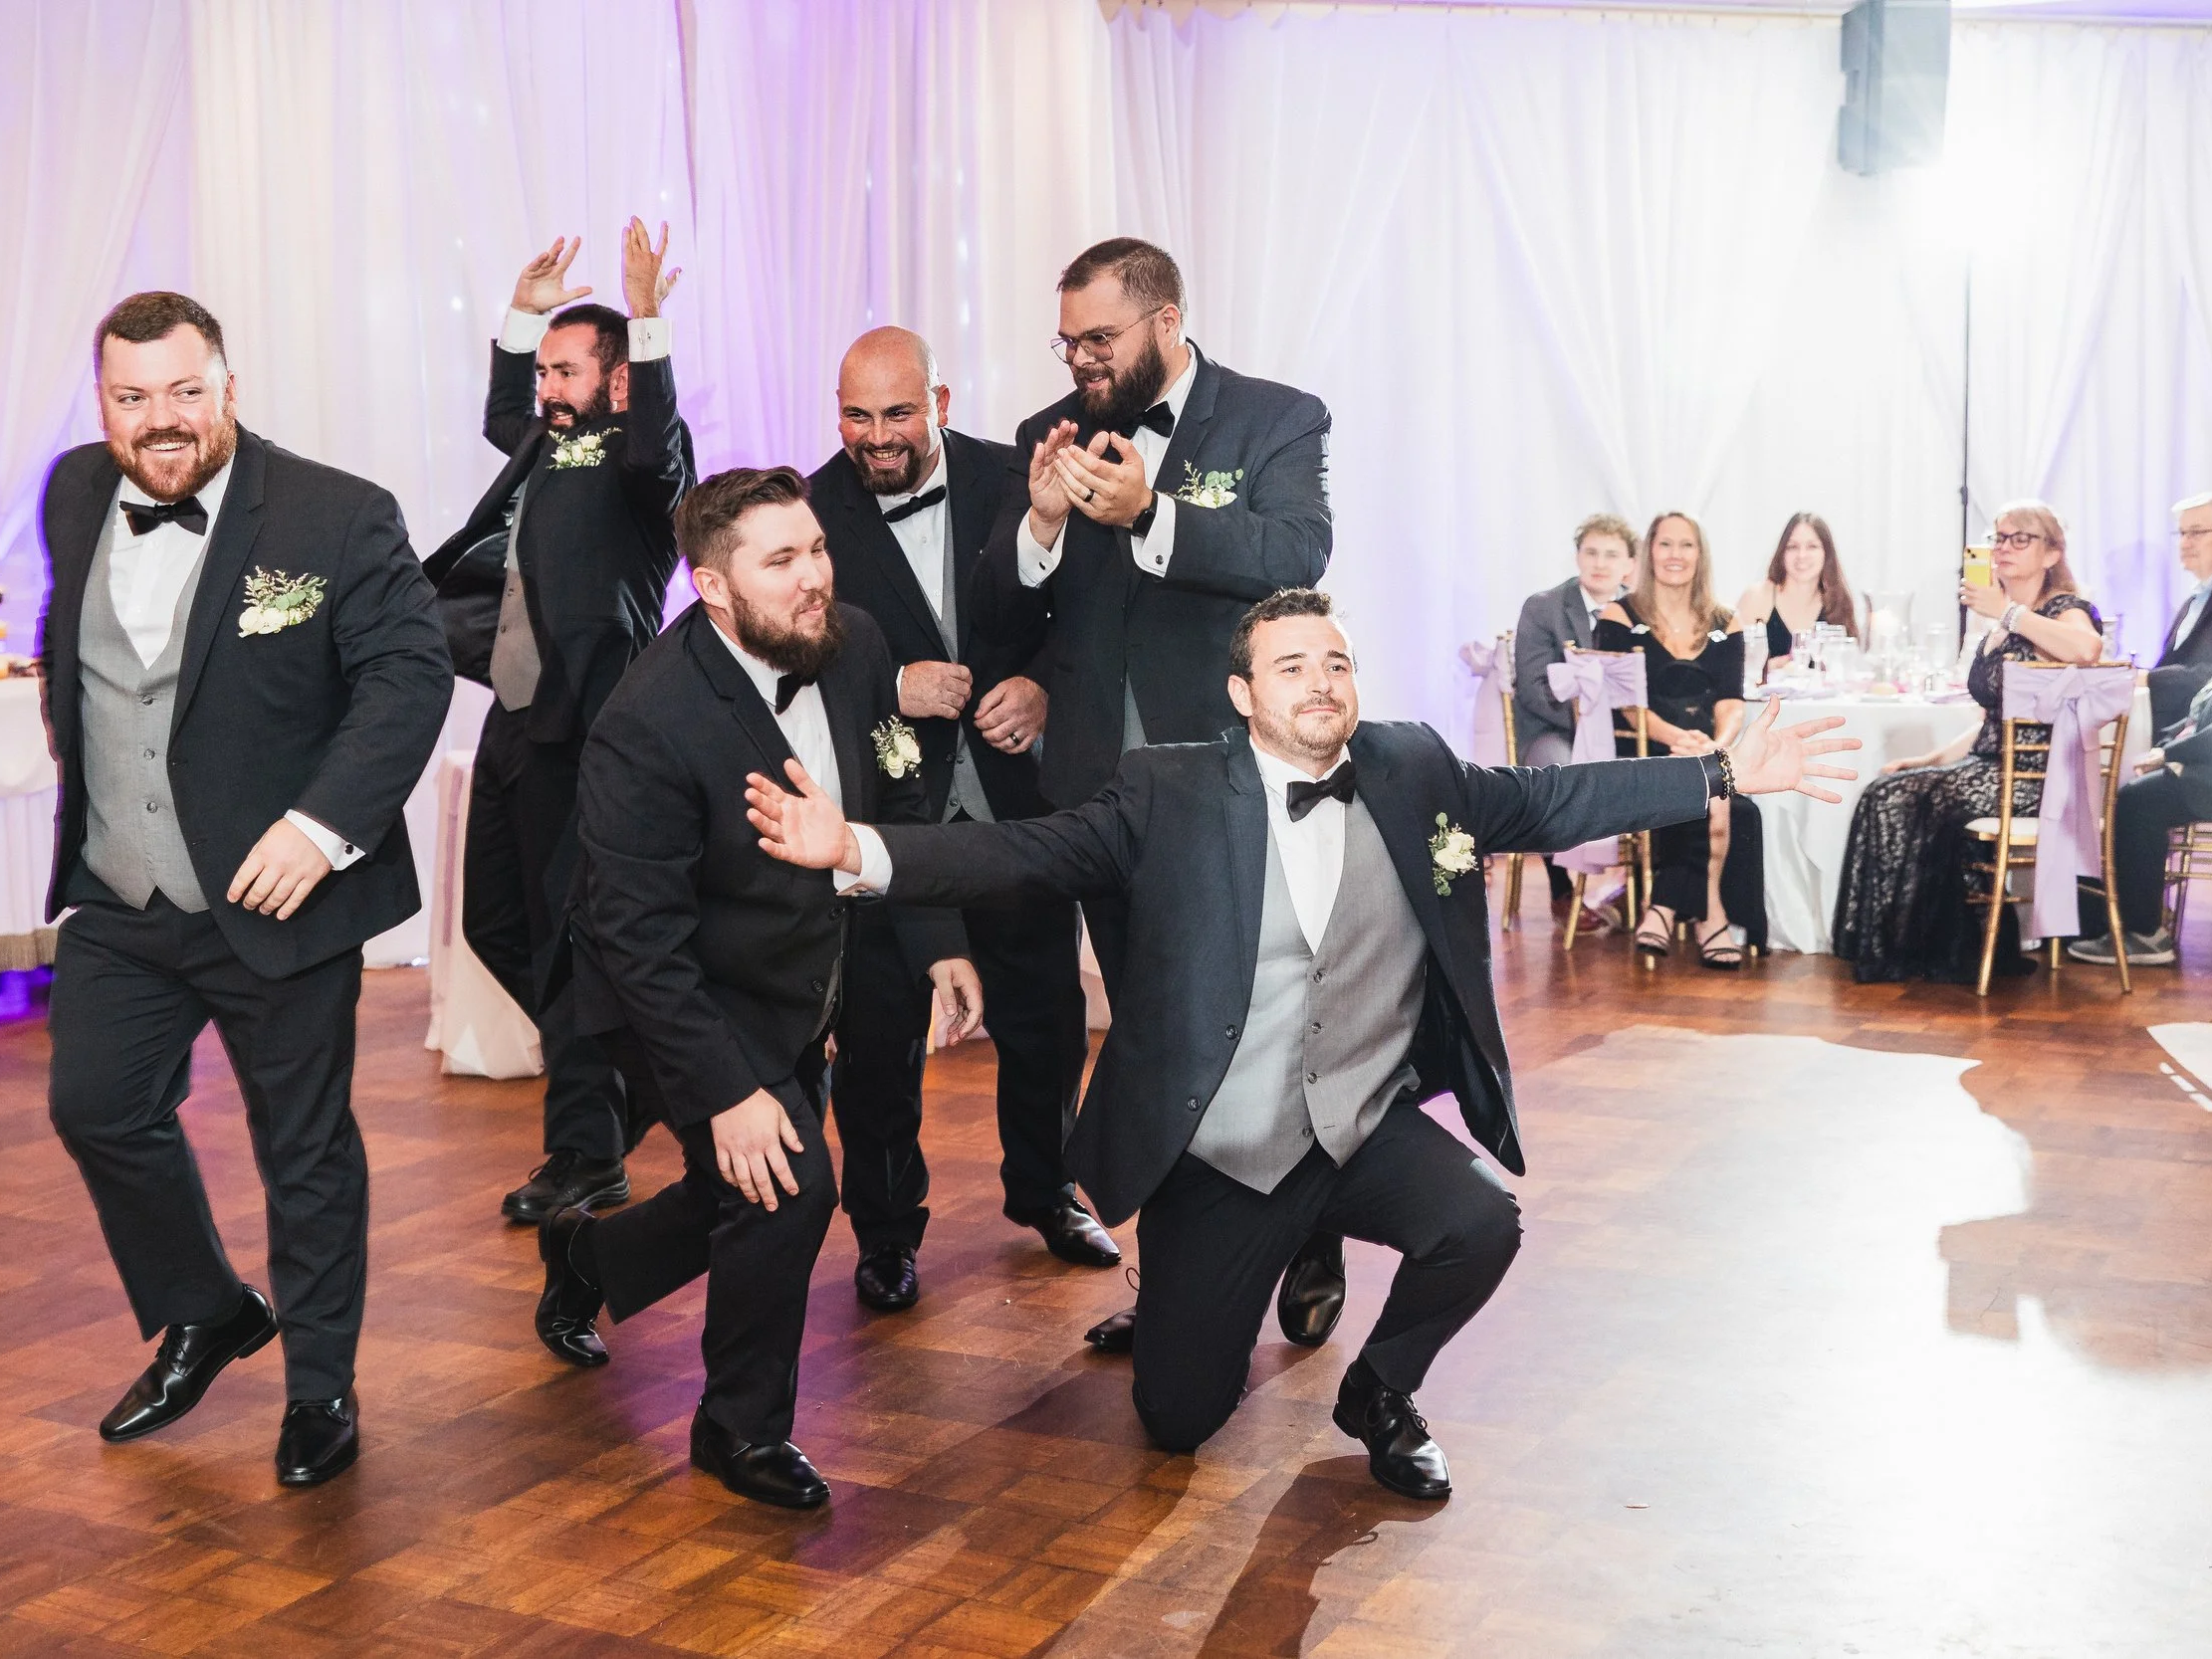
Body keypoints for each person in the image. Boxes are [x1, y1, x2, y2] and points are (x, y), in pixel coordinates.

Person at [743, 589, 1856, 1498]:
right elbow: (1027, 854)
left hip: (1361, 1124)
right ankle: (1231, 1272)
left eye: (1334, 660)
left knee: (1480, 1222)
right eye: (1290, 665)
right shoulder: (1167, 789)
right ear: (1241, 694)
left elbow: (1547, 796)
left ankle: (1379, 1388)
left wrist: (1716, 773)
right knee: (1178, 1419)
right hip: (1225, 1148)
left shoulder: (1413, 767)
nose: (1320, 681)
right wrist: (860, 849)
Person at [39, 292, 453, 1487]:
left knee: (304, 1147)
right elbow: (77, 639)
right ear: (103, 400)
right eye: (131, 397)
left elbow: (408, 677)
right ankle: (208, 1306)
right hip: (123, 891)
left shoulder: (334, 513)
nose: (158, 420)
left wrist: (322, 830)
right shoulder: (73, 490)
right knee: (96, 1105)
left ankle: (321, 1384)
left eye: (182, 391)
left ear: (228, 384)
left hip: (280, 896)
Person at [535, 467, 982, 1510]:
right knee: (787, 1183)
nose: (814, 575)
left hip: (799, 967)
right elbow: (636, 936)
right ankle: (736, 1429)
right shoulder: (649, 718)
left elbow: (895, 793)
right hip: (675, 988)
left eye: (816, 548)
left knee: (740, 1187)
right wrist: (727, 1089)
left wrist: (936, 938)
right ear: (714, 587)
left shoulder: (857, 643)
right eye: (781, 561)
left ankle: (589, 1259)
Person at [987, 234, 1343, 1354]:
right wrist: (1041, 524)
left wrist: (1151, 513)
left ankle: (1313, 1232)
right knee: (1151, 1037)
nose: (1083, 362)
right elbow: (1010, 607)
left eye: (1100, 340)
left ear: (1165, 322)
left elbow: (1297, 550)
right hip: (1106, 795)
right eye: (1071, 342)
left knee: (1262, 1027)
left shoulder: (1276, 415)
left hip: (1232, 790)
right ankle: (1180, 1282)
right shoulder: (1050, 430)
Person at [806, 327, 1116, 1306]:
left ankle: (1047, 1187)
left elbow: (1087, 621)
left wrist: (1040, 689)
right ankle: (887, 1232)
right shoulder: (811, 509)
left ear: (937, 399)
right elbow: (793, 657)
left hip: (1017, 806)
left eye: (897, 412)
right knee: (877, 1042)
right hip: (890, 820)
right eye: (857, 414)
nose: (877, 435)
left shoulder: (1014, 477)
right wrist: (894, 680)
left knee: (1046, 1018)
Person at [421, 224, 695, 1227]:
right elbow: (504, 409)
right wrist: (524, 315)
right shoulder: (543, 436)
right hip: (514, 710)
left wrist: (648, 317)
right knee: (497, 918)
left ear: (618, 381)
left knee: (572, 937)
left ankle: (585, 1148)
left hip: (594, 723)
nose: (546, 384)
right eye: (545, 370)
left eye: (566, 368)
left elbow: (659, 445)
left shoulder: (639, 456)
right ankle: (626, 1078)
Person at [1832, 501, 2104, 983]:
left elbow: (2086, 650)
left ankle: (1937, 948)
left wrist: (2010, 612)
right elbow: (1992, 721)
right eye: (1998, 537)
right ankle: (1921, 946)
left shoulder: (2063, 609)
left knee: (1904, 799)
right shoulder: (1998, 625)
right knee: (1885, 790)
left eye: (2020, 538)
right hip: (1989, 763)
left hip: (2039, 777)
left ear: (2050, 553)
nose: (2004, 548)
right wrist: (1930, 759)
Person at [2072, 552, 2212, 968]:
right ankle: (2130, 920)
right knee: (2136, 792)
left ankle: (2143, 934)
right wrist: (2169, 749)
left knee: (2137, 801)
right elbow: (2202, 715)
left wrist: (2171, 753)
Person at [1595, 512, 1766, 968]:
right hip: (1641, 743)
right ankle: (1711, 916)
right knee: (1707, 788)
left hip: (1704, 745)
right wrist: (1675, 738)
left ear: (1700, 554)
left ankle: (1664, 909)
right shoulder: (1618, 617)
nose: (1675, 555)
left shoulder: (1725, 621)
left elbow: (1732, 700)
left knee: (1713, 783)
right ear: (1649, 551)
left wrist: (1716, 742)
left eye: (1686, 545)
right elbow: (1624, 704)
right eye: (1665, 544)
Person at [1511, 514, 1638, 921]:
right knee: (1560, 771)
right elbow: (1533, 687)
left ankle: (1642, 891)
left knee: (1667, 767)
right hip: (1555, 728)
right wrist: (1589, 726)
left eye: (1612, 554)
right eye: (1591, 552)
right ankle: (1563, 890)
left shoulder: (1640, 612)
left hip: (1628, 731)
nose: (1600, 563)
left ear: (1629, 565)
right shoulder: (1544, 607)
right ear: (1577, 556)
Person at [2146, 493, 2212, 739]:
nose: (2185, 543)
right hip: (2173, 730)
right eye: (2182, 534)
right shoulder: (2197, 597)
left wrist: (2145, 679)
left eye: (2196, 533)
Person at [1732, 512, 1861, 668]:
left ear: (1826, 553)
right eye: (1792, 547)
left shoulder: (1838, 601)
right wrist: (1770, 669)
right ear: (1782, 552)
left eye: (1812, 546)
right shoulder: (1757, 597)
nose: (1802, 555)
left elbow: (1850, 667)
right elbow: (1730, 666)